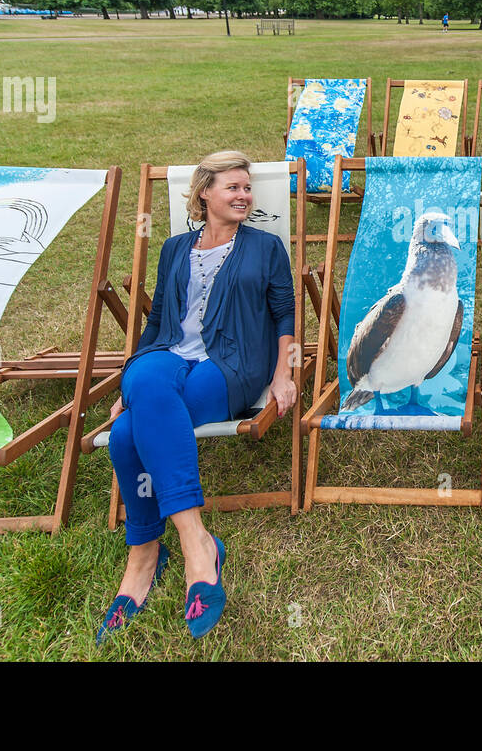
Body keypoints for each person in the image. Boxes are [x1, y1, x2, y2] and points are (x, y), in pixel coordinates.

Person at [98, 150, 297, 642]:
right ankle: (196, 540)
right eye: (233, 187)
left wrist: (284, 375)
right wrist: (129, 381)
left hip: (230, 364)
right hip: (169, 356)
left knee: (127, 433)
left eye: (247, 188)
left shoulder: (266, 247)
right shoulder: (172, 248)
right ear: (204, 192)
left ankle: (147, 552)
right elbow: (158, 319)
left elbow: (285, 316)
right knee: (142, 385)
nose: (244, 195)